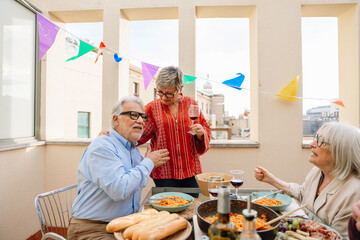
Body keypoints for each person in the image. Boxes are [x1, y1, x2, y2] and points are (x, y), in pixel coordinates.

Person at [67, 96, 170, 240]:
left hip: (124, 225)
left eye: (143, 117)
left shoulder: (132, 149)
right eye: (133, 115)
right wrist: (148, 162)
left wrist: (148, 162)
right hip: (93, 229)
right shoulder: (103, 146)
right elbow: (119, 189)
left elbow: (137, 180)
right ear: (116, 120)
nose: (140, 121)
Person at [254, 122, 360, 238]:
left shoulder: (354, 191)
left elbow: (338, 236)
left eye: (321, 141)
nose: (312, 144)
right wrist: (271, 180)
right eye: (315, 138)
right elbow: (303, 194)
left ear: (340, 152)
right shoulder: (318, 171)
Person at [137, 66, 211, 195]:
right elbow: (137, 133)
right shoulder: (151, 108)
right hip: (164, 172)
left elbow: (205, 128)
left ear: (180, 89)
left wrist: (201, 133)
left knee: (192, 209)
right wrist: (112, 136)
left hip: (190, 169)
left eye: (169, 93)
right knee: (167, 208)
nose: (164, 97)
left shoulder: (191, 104)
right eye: (160, 92)